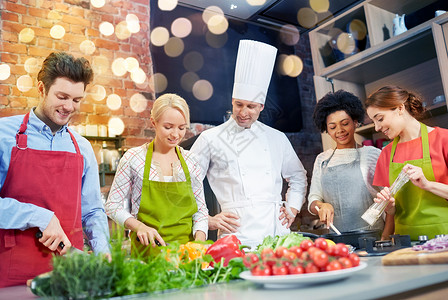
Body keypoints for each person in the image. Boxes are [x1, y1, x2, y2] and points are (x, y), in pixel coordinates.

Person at [0, 52, 110, 287]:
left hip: (71, 274)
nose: (69, 107)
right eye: (62, 96)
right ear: (41, 88)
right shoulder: (3, 135)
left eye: (77, 100)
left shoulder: (82, 147)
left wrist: (104, 253)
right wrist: (38, 216)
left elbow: (92, 212)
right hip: (12, 273)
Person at [190, 40, 307, 248]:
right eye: (239, 105)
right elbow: (187, 183)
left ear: (261, 106)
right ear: (232, 101)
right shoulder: (210, 138)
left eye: (251, 106)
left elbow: (298, 176)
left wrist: (293, 208)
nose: (243, 112)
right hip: (236, 235)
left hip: (276, 233)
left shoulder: (277, 138)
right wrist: (206, 219)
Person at [105, 93, 208, 253]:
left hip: (186, 256)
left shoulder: (191, 160)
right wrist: (138, 226)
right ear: (154, 122)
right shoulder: (133, 158)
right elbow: (112, 206)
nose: (175, 134)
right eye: (168, 127)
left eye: (181, 128)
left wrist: (198, 243)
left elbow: (200, 211)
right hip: (147, 255)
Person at [365, 85, 448, 240]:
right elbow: (391, 216)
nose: (376, 128)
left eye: (380, 119)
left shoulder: (444, 139)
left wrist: (428, 185)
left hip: (444, 238)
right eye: (373, 122)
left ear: (400, 108)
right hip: (404, 242)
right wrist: (385, 236)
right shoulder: (386, 153)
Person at [307, 90, 391, 238]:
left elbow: (389, 202)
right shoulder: (322, 159)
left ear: (355, 121)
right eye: (332, 127)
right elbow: (313, 199)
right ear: (326, 129)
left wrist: (385, 237)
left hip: (373, 237)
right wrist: (321, 206)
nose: (340, 131)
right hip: (337, 238)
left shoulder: (371, 154)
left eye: (345, 123)